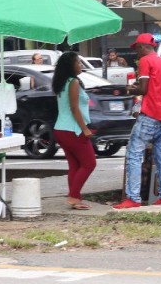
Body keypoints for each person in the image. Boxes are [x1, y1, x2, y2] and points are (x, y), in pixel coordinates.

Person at [113, 33, 161, 209]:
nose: (136, 53)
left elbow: (144, 88)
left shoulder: (146, 61)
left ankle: (133, 198)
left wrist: (130, 90)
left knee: (134, 154)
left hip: (150, 114)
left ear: (142, 47)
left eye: (137, 49)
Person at [52, 51, 96, 210]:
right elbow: (74, 108)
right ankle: (73, 197)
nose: (81, 65)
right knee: (89, 163)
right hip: (73, 130)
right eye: (78, 62)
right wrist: (84, 128)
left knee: (75, 165)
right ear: (70, 66)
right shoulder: (73, 82)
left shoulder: (62, 82)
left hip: (61, 129)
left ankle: (74, 198)